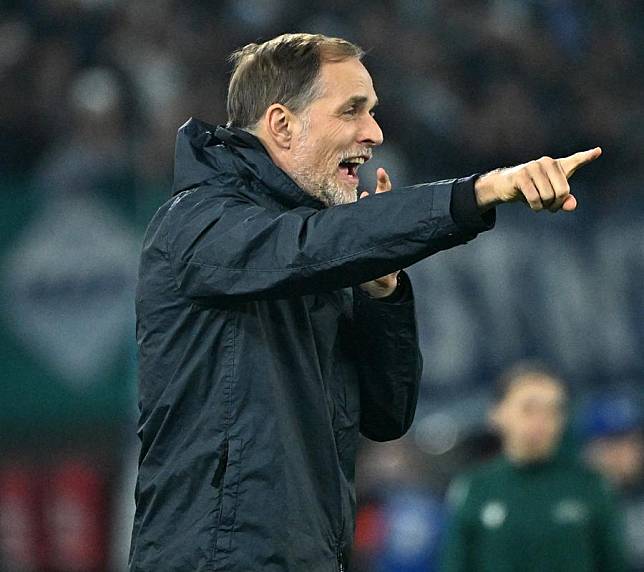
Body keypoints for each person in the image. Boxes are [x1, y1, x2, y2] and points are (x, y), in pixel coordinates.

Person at [129, 33, 602, 571]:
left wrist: (382, 293)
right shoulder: (195, 223)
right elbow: (306, 248)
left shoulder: (320, 250)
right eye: (352, 110)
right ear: (282, 125)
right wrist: (479, 192)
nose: (373, 132)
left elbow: (386, 414)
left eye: (372, 111)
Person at [441, 363, 627, 572]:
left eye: (553, 410)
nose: (541, 420)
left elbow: (615, 563)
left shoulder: (590, 485)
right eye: (529, 408)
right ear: (497, 414)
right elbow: (455, 563)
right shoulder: (475, 487)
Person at [583, 394, 644, 571]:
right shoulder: (574, 501)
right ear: (589, 449)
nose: (622, 453)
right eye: (611, 444)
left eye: (630, 442)